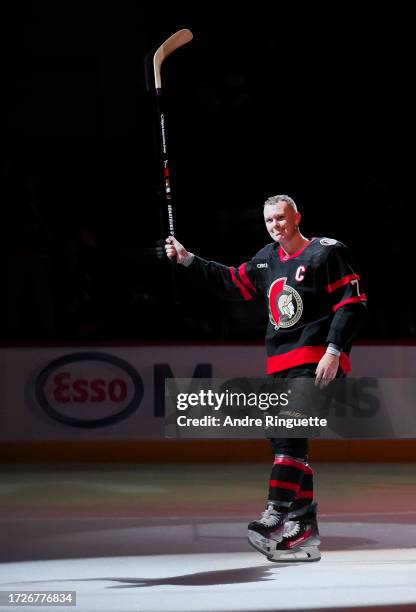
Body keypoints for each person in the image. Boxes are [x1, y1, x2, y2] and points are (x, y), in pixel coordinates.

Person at [165, 194, 367, 562]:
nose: (275, 225)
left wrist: (334, 351)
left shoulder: (326, 252)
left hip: (316, 360)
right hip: (279, 365)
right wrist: (189, 260)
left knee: (290, 434)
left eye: (281, 218)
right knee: (287, 444)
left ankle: (276, 513)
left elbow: (353, 305)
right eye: (269, 220)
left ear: (297, 217)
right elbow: (231, 281)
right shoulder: (266, 258)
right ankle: (304, 528)